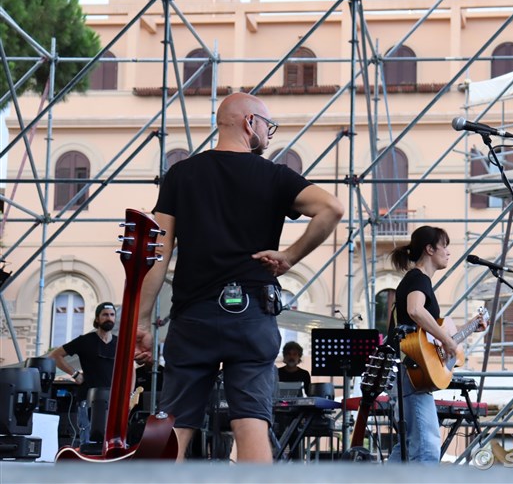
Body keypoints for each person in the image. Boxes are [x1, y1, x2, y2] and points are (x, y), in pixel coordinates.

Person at [134, 92, 343, 463]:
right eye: (267, 125)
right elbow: (331, 208)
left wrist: (143, 320)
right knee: (251, 422)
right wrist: (290, 258)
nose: (269, 133)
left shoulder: (181, 175)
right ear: (250, 123)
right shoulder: (275, 175)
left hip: (193, 314)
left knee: (177, 423)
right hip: (251, 314)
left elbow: (158, 253)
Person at [387, 226, 486, 465]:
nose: (449, 252)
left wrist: (468, 328)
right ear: (430, 249)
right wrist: (447, 339)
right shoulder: (418, 278)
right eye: (445, 246)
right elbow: (415, 310)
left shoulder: (417, 280)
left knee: (407, 447)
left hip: (408, 372)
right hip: (411, 373)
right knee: (427, 449)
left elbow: (428, 338)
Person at [48, 302, 117, 445]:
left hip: (113, 400)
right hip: (88, 398)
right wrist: (75, 375)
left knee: (112, 443)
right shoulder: (85, 340)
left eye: (112, 315)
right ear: (97, 318)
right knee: (88, 442)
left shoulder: (120, 343)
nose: (109, 318)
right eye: (105, 314)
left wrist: (129, 393)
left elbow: (130, 367)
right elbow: (55, 355)